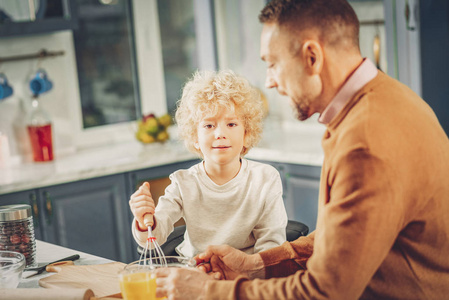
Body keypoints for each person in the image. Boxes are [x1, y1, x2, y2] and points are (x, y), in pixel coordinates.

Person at [153, 0, 449, 299]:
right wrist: (257, 264)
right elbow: (345, 239)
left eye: (272, 64)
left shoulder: (366, 142)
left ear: (312, 57)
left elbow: (324, 292)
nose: (269, 82)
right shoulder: (386, 100)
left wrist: (210, 292)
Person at [129, 70, 288, 259]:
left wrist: (244, 272)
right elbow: (155, 234)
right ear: (195, 137)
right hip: (195, 271)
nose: (219, 134)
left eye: (231, 124)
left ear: (247, 134)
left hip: (246, 274)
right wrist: (143, 220)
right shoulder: (183, 182)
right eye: (209, 126)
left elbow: (271, 247)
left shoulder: (265, 179)